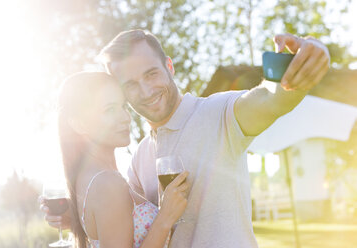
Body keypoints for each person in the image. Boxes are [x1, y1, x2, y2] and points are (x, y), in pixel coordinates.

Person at [43, 30, 330, 247]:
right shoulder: (141, 155)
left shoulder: (218, 115)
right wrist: (80, 220)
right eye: (130, 85)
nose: (145, 91)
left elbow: (269, 99)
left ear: (169, 66)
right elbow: (125, 227)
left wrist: (304, 66)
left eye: (152, 74)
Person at [52, 71, 189, 248]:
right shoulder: (107, 183)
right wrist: (165, 217)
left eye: (123, 106)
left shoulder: (87, 178)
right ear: (79, 124)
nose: (125, 118)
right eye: (109, 110)